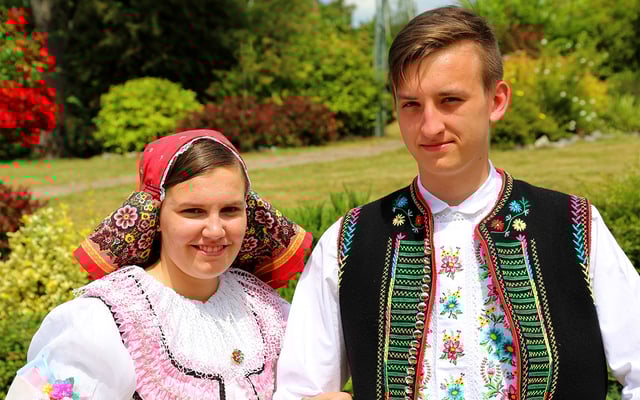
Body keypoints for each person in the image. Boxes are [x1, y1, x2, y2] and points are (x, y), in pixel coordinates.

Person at [273, 6, 640, 400]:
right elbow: (301, 391)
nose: (430, 126)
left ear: (496, 100)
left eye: (449, 100)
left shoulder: (573, 226)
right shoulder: (349, 241)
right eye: (411, 104)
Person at [6, 129, 312, 400]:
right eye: (193, 211)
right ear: (156, 217)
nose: (215, 230)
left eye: (230, 210)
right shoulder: (107, 321)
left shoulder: (267, 313)